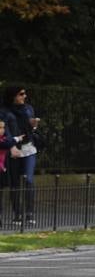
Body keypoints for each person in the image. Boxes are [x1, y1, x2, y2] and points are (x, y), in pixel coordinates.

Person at [3, 87, 39, 225]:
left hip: (28, 148)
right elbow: (4, 130)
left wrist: (34, 126)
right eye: (21, 94)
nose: (25, 96)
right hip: (13, 149)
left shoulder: (28, 108)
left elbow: (30, 128)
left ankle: (30, 213)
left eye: (24, 94)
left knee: (29, 180)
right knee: (15, 183)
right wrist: (11, 146)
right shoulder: (4, 111)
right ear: (12, 96)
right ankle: (17, 213)